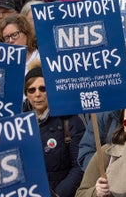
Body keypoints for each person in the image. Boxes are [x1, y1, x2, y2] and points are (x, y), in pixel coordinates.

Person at [23, 64, 84, 196]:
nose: (37, 94)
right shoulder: (17, 122)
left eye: (43, 89)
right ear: (26, 94)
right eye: (31, 90)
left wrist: (57, 194)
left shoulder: (70, 120)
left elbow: (79, 166)